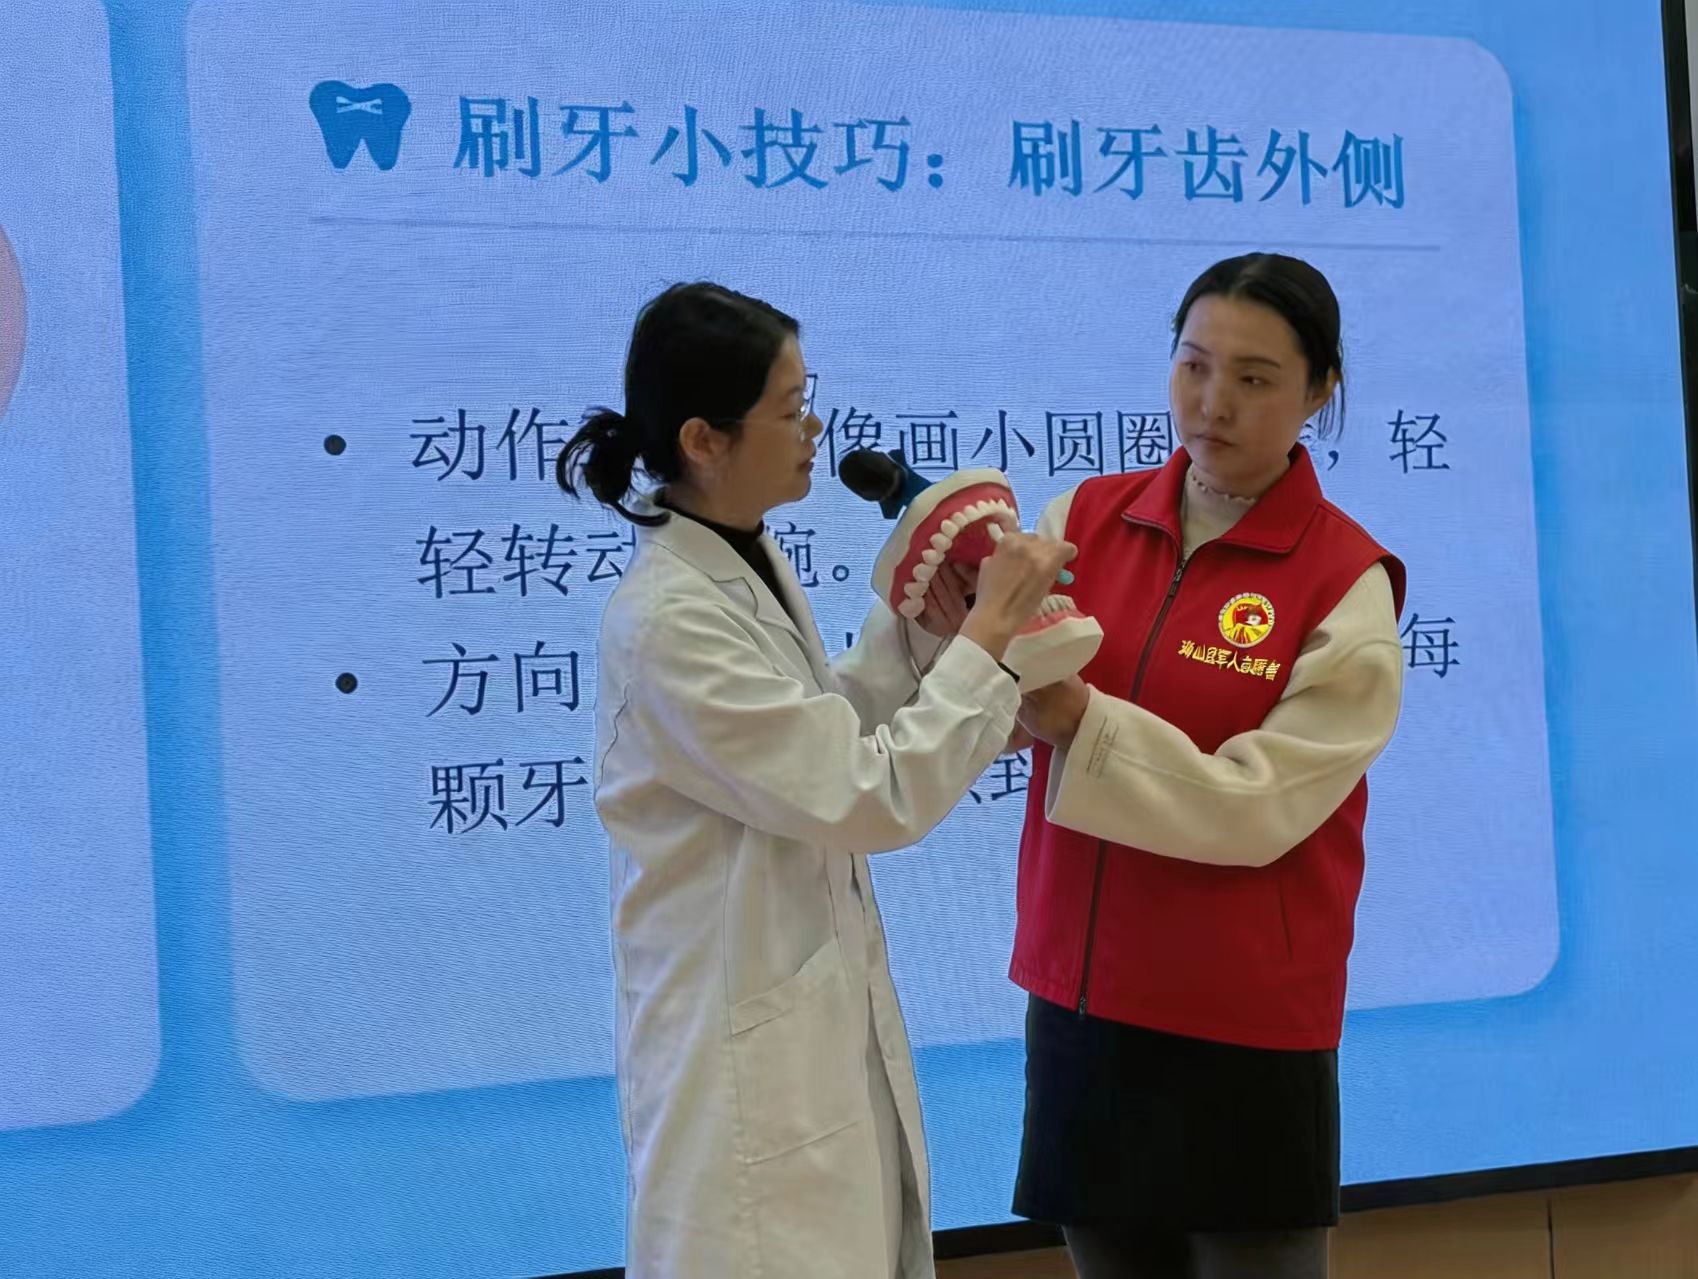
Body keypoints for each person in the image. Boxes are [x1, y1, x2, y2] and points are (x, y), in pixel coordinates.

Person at [557, 281, 1075, 1279]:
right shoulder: (669, 619)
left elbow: (820, 728)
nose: (815, 431)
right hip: (735, 1077)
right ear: (705, 439)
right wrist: (988, 636)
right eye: (790, 410)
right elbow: (864, 794)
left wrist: (929, 633)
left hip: (803, 1046)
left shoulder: (740, 557)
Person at [1007, 254, 1407, 1279]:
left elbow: (1256, 807)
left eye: (1255, 378)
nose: (1212, 402)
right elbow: (1001, 705)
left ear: (1319, 391)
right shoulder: (1078, 522)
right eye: (1193, 364)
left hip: (1244, 1028)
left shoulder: (1345, 582)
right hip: (1084, 1004)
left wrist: (1078, 718)